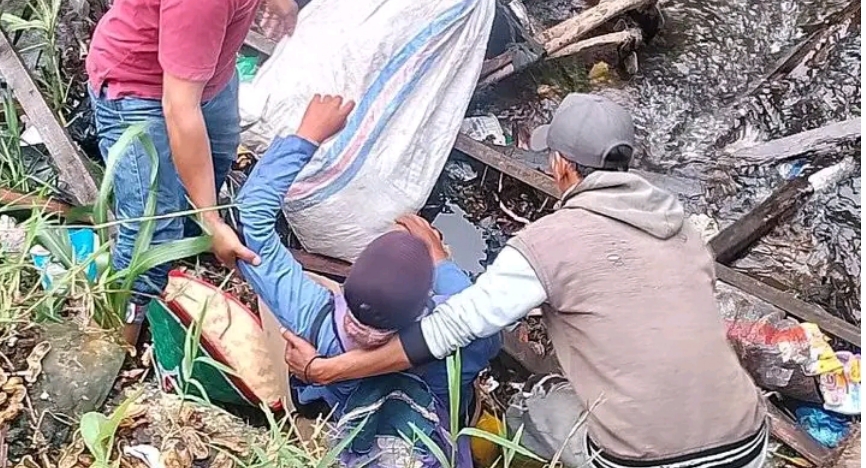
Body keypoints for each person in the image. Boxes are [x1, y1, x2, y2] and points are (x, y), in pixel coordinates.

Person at [283, 93, 769, 468]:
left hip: (644, 456)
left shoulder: (550, 240)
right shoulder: (679, 226)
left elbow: (452, 328)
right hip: (748, 437)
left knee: (529, 410)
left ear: (559, 165)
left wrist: (329, 370)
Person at [85, 0, 363, 347]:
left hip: (210, 72)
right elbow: (176, 107)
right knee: (152, 230)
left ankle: (193, 263)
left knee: (211, 165)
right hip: (143, 89)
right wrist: (212, 220)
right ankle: (119, 334)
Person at [236, 93, 501, 465]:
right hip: (436, 442)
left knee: (276, 304)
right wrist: (442, 264)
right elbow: (480, 317)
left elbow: (249, 223)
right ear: (427, 298)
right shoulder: (465, 336)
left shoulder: (314, 318)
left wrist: (306, 138)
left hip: (354, 426)